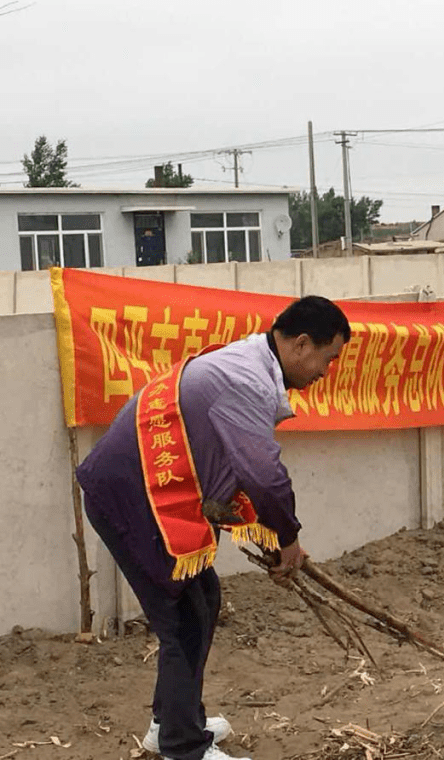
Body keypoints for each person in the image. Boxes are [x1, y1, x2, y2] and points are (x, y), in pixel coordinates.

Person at [77, 296, 350, 760]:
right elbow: (262, 473)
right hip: (130, 496)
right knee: (182, 617)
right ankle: (184, 747)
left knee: (202, 600)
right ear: (302, 344)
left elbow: (235, 468)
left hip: (145, 489)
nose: (326, 371)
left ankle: (171, 724)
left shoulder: (250, 362)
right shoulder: (248, 380)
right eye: (328, 359)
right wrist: (287, 539)